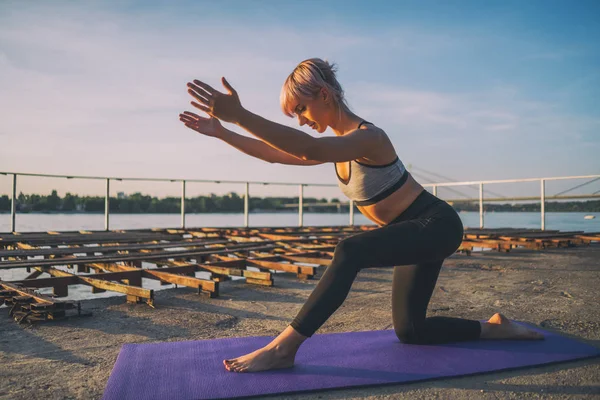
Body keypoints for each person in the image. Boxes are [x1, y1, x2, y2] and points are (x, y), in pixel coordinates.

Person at [179, 58, 544, 373]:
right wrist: (224, 132)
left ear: (324, 94)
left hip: (436, 225)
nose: (301, 120)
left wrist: (241, 115)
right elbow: (274, 152)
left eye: (301, 109)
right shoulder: (336, 148)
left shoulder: (370, 137)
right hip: (412, 231)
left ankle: (283, 348)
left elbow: (307, 149)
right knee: (411, 332)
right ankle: (494, 328)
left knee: (350, 251)